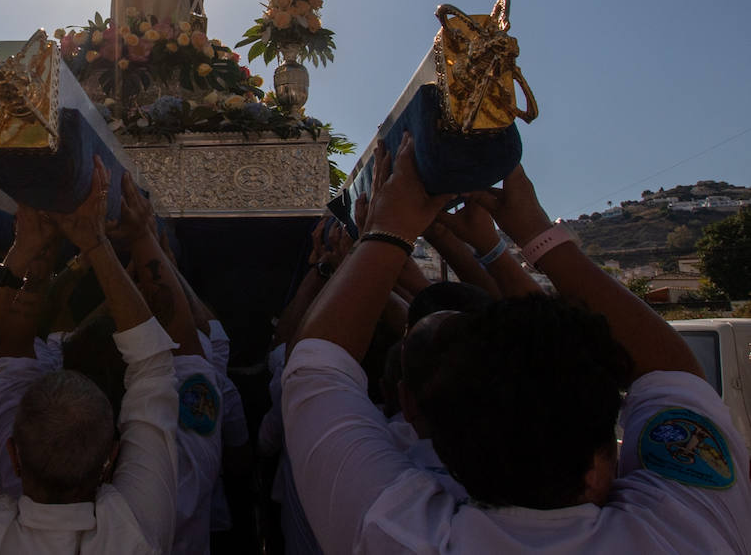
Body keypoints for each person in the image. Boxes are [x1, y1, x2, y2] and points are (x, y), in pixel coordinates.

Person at [282, 134, 751, 552]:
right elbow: (671, 371)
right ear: (601, 456)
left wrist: (387, 228)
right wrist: (530, 236)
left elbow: (314, 365)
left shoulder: (393, 529)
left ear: (438, 446)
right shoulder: (689, 529)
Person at [0, 157, 179, 553]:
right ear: (111, 458)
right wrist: (95, 242)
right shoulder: (136, 534)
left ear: (11, 454)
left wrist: (22, 249)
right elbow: (155, 366)